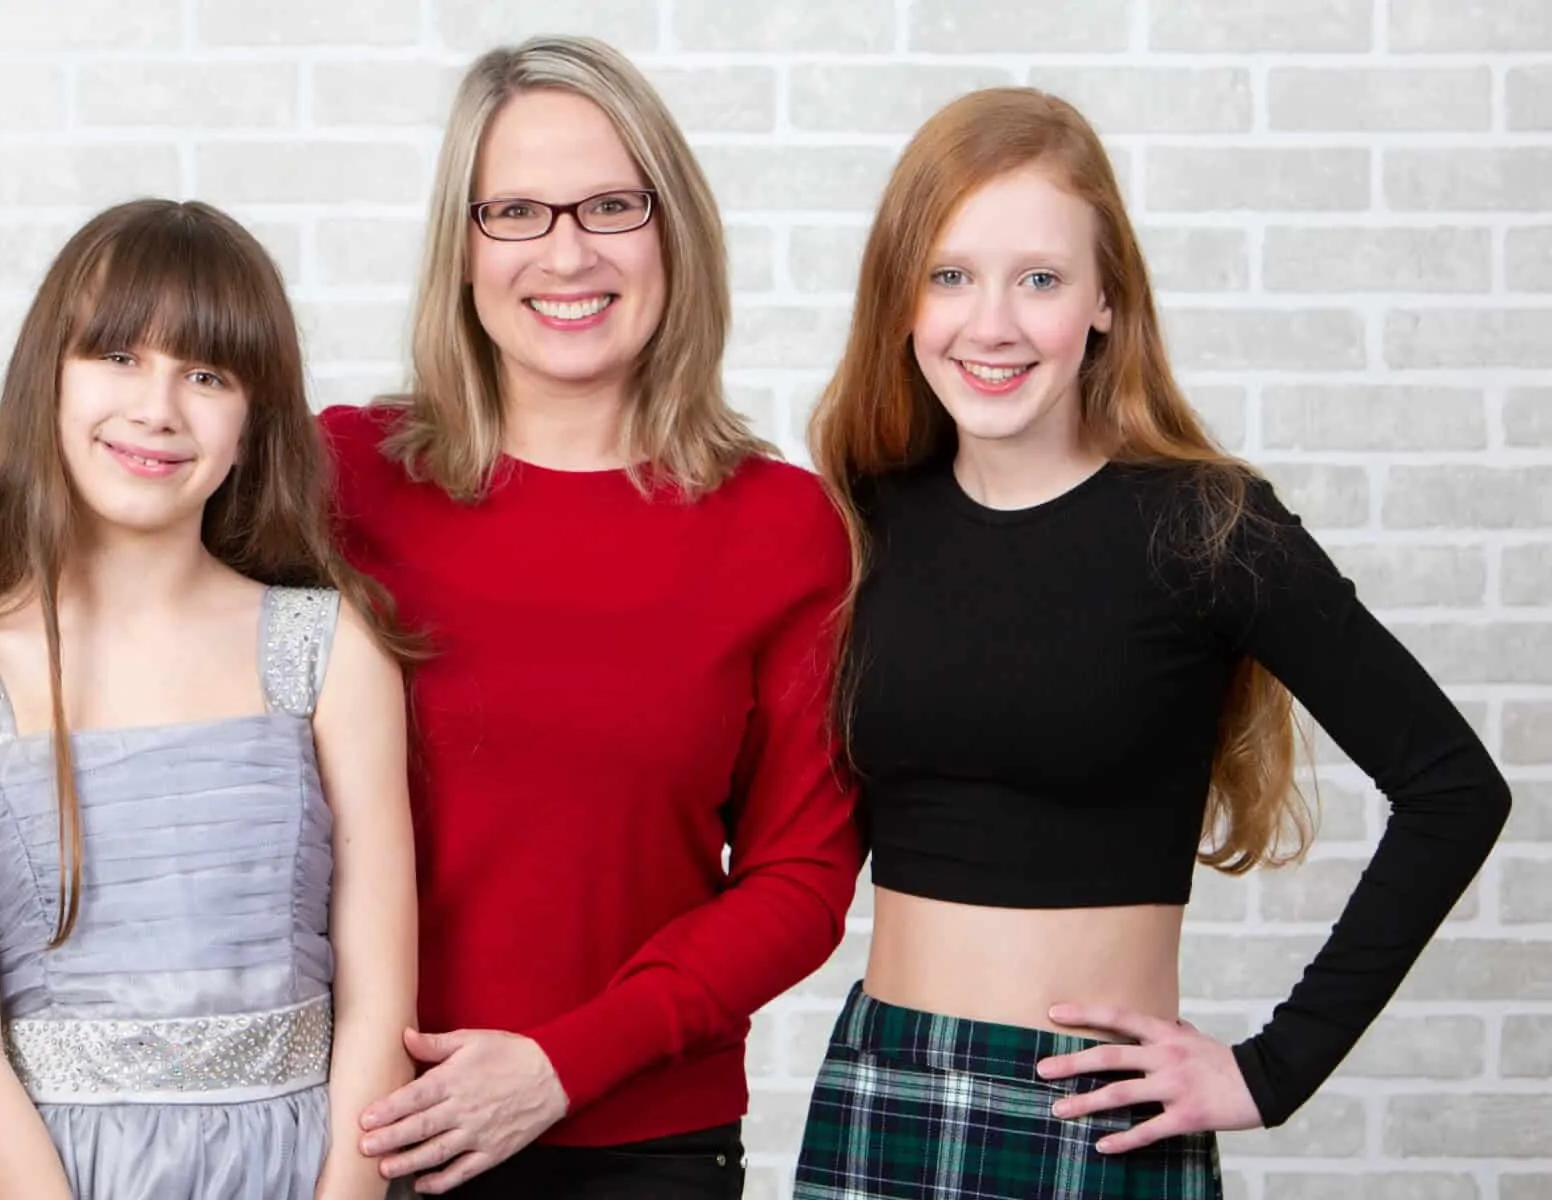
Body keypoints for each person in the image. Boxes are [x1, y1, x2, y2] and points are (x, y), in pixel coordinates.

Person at [793, 87, 1512, 1200]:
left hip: (1102, 1116)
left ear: (1106, 303)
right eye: (950, 275)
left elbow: (1455, 787)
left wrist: (1275, 1071)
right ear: (900, 301)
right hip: (884, 1091)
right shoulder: (858, 520)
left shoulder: (1210, 528)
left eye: (1039, 278)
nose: (991, 322)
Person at [317, 34, 862, 1200]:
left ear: (673, 230)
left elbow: (802, 879)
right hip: (349, 1139)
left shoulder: (784, 526)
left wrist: (563, 1065)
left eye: (611, 204)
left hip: (641, 1151)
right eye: (514, 210)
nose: (566, 252)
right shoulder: (340, 479)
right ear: (461, 250)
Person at [0, 198, 419, 1200]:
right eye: (118, 356)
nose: (158, 407)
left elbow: (380, 1006)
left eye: (207, 374)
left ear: (255, 423)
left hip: (305, 1173)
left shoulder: (328, 649)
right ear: (47, 381)